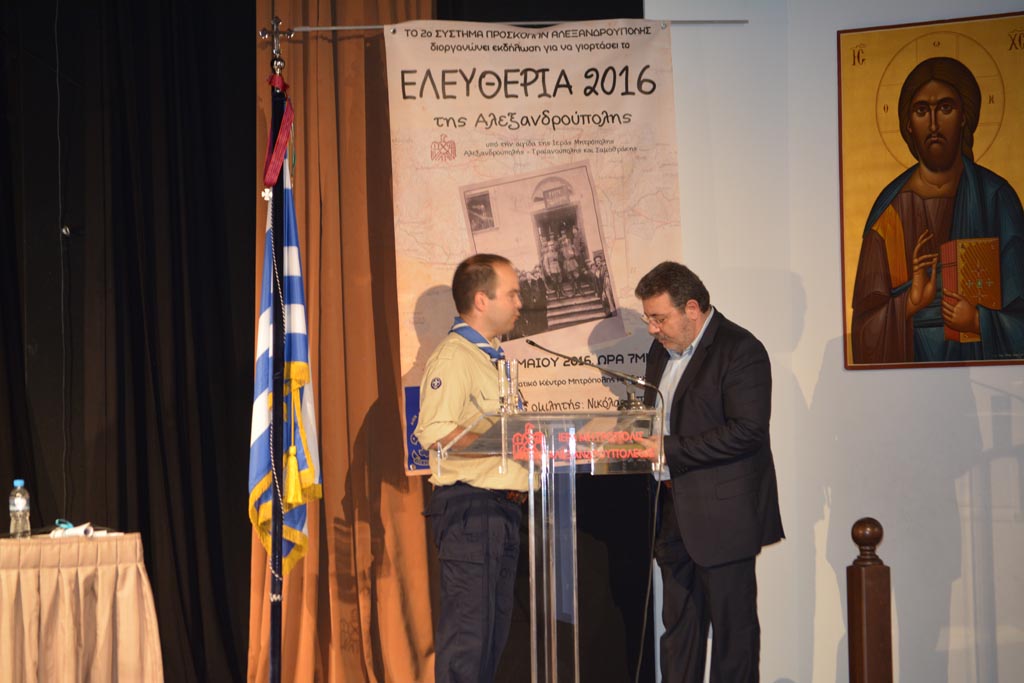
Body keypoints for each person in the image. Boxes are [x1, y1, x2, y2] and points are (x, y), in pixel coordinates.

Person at [635, 262, 784, 683]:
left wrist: (668, 448)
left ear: (692, 308)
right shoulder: (658, 352)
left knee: (733, 638)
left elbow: (748, 431)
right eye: (648, 319)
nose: (652, 329)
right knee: (678, 631)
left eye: (659, 318)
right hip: (671, 511)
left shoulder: (741, 349)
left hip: (724, 517)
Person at [851, 56, 1024, 363]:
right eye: (921, 111)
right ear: (908, 123)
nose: (933, 124)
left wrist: (978, 322)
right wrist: (909, 304)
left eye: (945, 108)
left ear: (964, 116)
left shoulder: (996, 199)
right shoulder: (889, 213)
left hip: (985, 380)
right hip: (907, 381)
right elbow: (863, 333)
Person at [414, 253, 527, 683]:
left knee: (490, 642)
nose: (520, 303)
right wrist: (504, 440)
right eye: (512, 294)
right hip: (471, 512)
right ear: (482, 300)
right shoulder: (454, 357)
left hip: (502, 511)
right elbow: (434, 431)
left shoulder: (491, 358)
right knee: (468, 643)